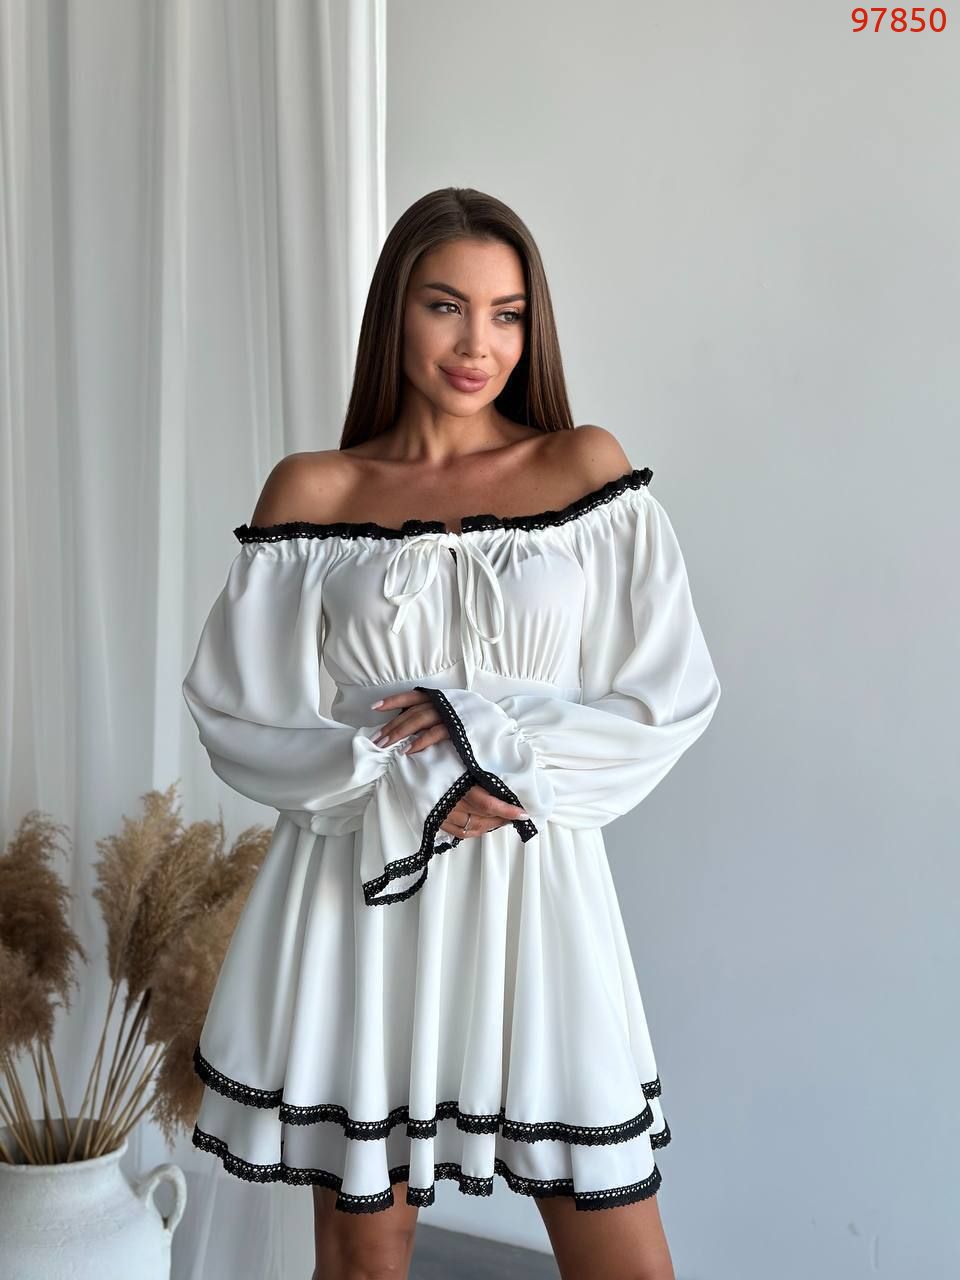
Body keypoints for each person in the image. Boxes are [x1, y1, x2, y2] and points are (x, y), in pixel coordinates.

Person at [182, 186, 721, 1280]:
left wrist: (493, 747)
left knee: (625, 1258)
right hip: (363, 898)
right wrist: (415, 770)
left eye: (507, 314)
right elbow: (237, 713)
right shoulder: (316, 487)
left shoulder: (585, 469)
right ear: (395, 311)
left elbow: (669, 695)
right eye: (446, 306)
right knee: (363, 1261)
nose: (480, 345)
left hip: (537, 896)